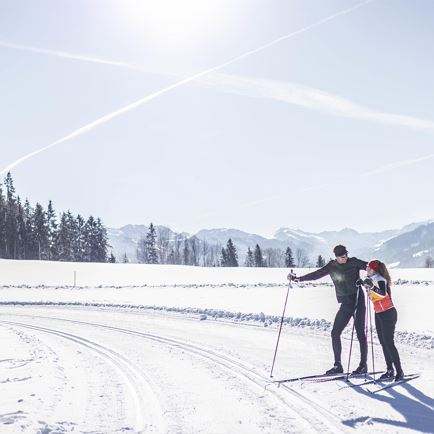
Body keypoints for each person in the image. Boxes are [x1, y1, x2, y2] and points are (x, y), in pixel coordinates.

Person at [289, 245, 368, 375]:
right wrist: (298, 279)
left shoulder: (353, 262)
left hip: (358, 301)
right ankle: (338, 366)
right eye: (342, 256)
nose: (345, 258)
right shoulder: (331, 266)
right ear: (336, 257)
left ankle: (363, 365)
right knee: (335, 333)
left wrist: (369, 277)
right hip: (345, 303)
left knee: (360, 333)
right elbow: (316, 275)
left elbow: (369, 267)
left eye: (346, 255)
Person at [356, 260, 404, 381]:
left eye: (369, 268)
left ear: (374, 269)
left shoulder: (380, 279)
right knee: (383, 343)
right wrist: (362, 283)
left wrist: (371, 286)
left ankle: (399, 371)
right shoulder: (371, 278)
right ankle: (389, 370)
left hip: (388, 314)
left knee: (389, 343)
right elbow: (373, 292)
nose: (366, 269)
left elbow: (382, 293)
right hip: (379, 314)